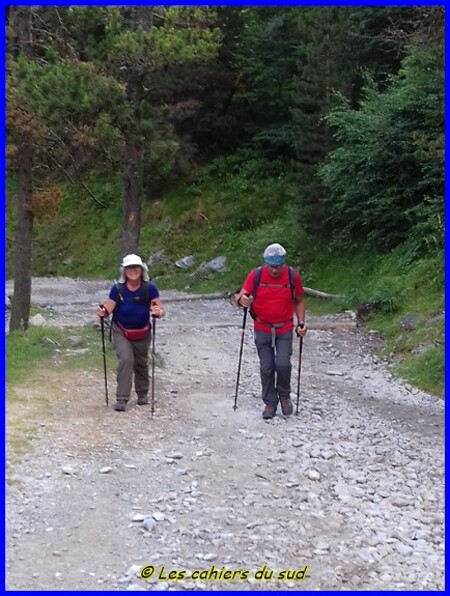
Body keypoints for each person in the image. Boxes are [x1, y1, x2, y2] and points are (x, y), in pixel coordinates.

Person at [235, 243, 307, 419]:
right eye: (271, 266)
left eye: (278, 266)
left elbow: (299, 300)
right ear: (266, 263)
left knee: (283, 363)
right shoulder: (257, 274)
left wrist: (301, 322)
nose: (274, 270)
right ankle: (269, 402)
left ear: (283, 263)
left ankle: (284, 396)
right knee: (267, 367)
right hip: (262, 326)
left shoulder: (292, 276)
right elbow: (241, 296)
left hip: (284, 326)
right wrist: (242, 300)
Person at [96, 254, 165, 412]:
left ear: (142, 270)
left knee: (141, 362)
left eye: (136, 268)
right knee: (126, 360)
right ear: (124, 271)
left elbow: (159, 309)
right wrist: (102, 312)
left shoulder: (149, 288)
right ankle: (122, 399)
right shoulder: (118, 289)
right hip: (121, 330)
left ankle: (142, 393)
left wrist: (157, 312)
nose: (133, 271)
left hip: (143, 331)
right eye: (129, 268)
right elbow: (108, 308)